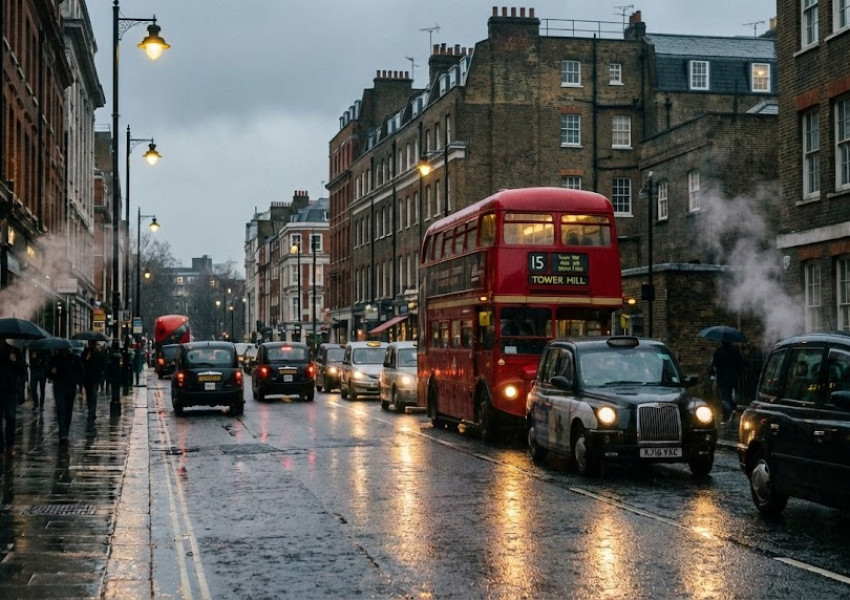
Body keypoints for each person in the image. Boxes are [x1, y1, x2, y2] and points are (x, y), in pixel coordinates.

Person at [48, 347, 85, 445]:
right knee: (60, 410)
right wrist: (52, 372)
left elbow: (81, 372)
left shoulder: (74, 359)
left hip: (70, 388)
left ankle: (65, 431)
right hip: (59, 388)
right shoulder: (55, 359)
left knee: (68, 411)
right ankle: (62, 433)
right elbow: (49, 373)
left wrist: (78, 382)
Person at [0, 338, 26, 458]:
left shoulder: (14, 351)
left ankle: (10, 446)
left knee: (10, 417)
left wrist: (14, 361)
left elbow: (22, 368)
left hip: (10, 390)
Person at [708, 340, 744, 425]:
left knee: (724, 398)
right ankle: (728, 414)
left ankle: (730, 412)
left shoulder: (718, 352)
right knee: (731, 397)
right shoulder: (735, 351)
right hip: (733, 378)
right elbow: (740, 365)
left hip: (722, 378)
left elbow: (714, 365)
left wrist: (712, 375)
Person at [81, 341, 106, 424]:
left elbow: (103, 364)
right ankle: (91, 410)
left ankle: (92, 412)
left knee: (93, 394)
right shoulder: (85, 353)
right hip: (87, 377)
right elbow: (82, 364)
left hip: (95, 377)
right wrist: (86, 358)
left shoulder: (99, 353)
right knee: (89, 395)